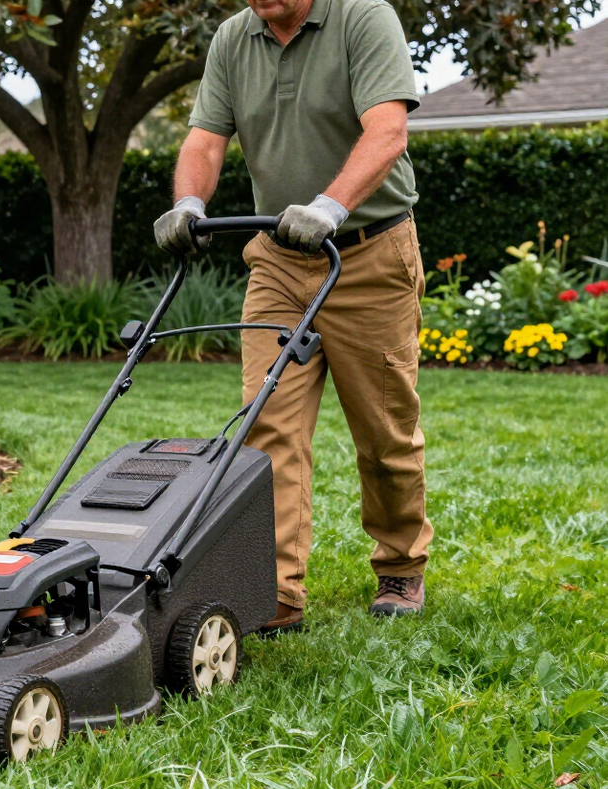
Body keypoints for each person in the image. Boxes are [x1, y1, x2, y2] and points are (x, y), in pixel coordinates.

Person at [154, 0, 433, 631]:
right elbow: (205, 138)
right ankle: (275, 588)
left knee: (384, 430)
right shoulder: (234, 38)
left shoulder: (364, 17)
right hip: (278, 260)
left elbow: (387, 130)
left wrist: (331, 205)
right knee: (267, 427)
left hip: (368, 254)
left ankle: (401, 563)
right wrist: (189, 201)